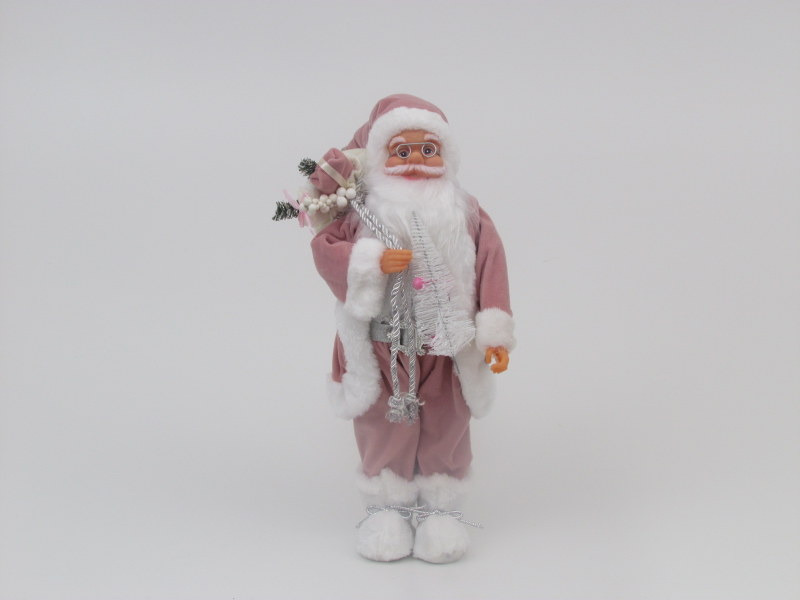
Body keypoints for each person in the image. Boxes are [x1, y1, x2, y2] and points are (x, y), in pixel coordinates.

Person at [308, 94, 515, 563]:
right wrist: (369, 260)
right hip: (382, 345)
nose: (416, 160)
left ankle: (441, 510)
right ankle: (387, 510)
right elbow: (324, 249)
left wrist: (494, 332)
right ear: (380, 156)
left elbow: (492, 264)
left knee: (447, 422)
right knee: (382, 424)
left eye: (428, 150)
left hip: (448, 345)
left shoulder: (467, 211)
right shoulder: (361, 212)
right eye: (402, 151)